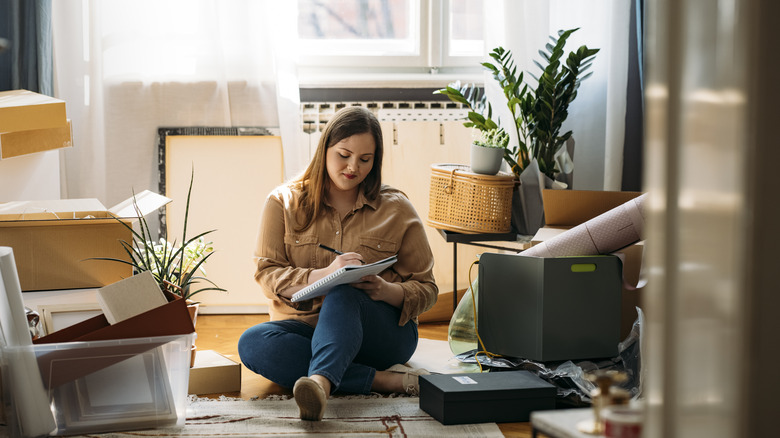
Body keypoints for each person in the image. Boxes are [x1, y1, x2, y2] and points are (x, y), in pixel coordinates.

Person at [238, 106, 438, 421]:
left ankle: (319, 383)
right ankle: (384, 381)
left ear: (376, 160)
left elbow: (427, 288)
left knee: (345, 293)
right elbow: (267, 273)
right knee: (252, 343)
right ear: (325, 149)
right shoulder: (282, 203)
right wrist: (325, 274)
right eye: (344, 155)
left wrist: (385, 290)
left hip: (380, 335)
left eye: (365, 159)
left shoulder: (397, 209)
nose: (352, 167)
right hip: (307, 330)